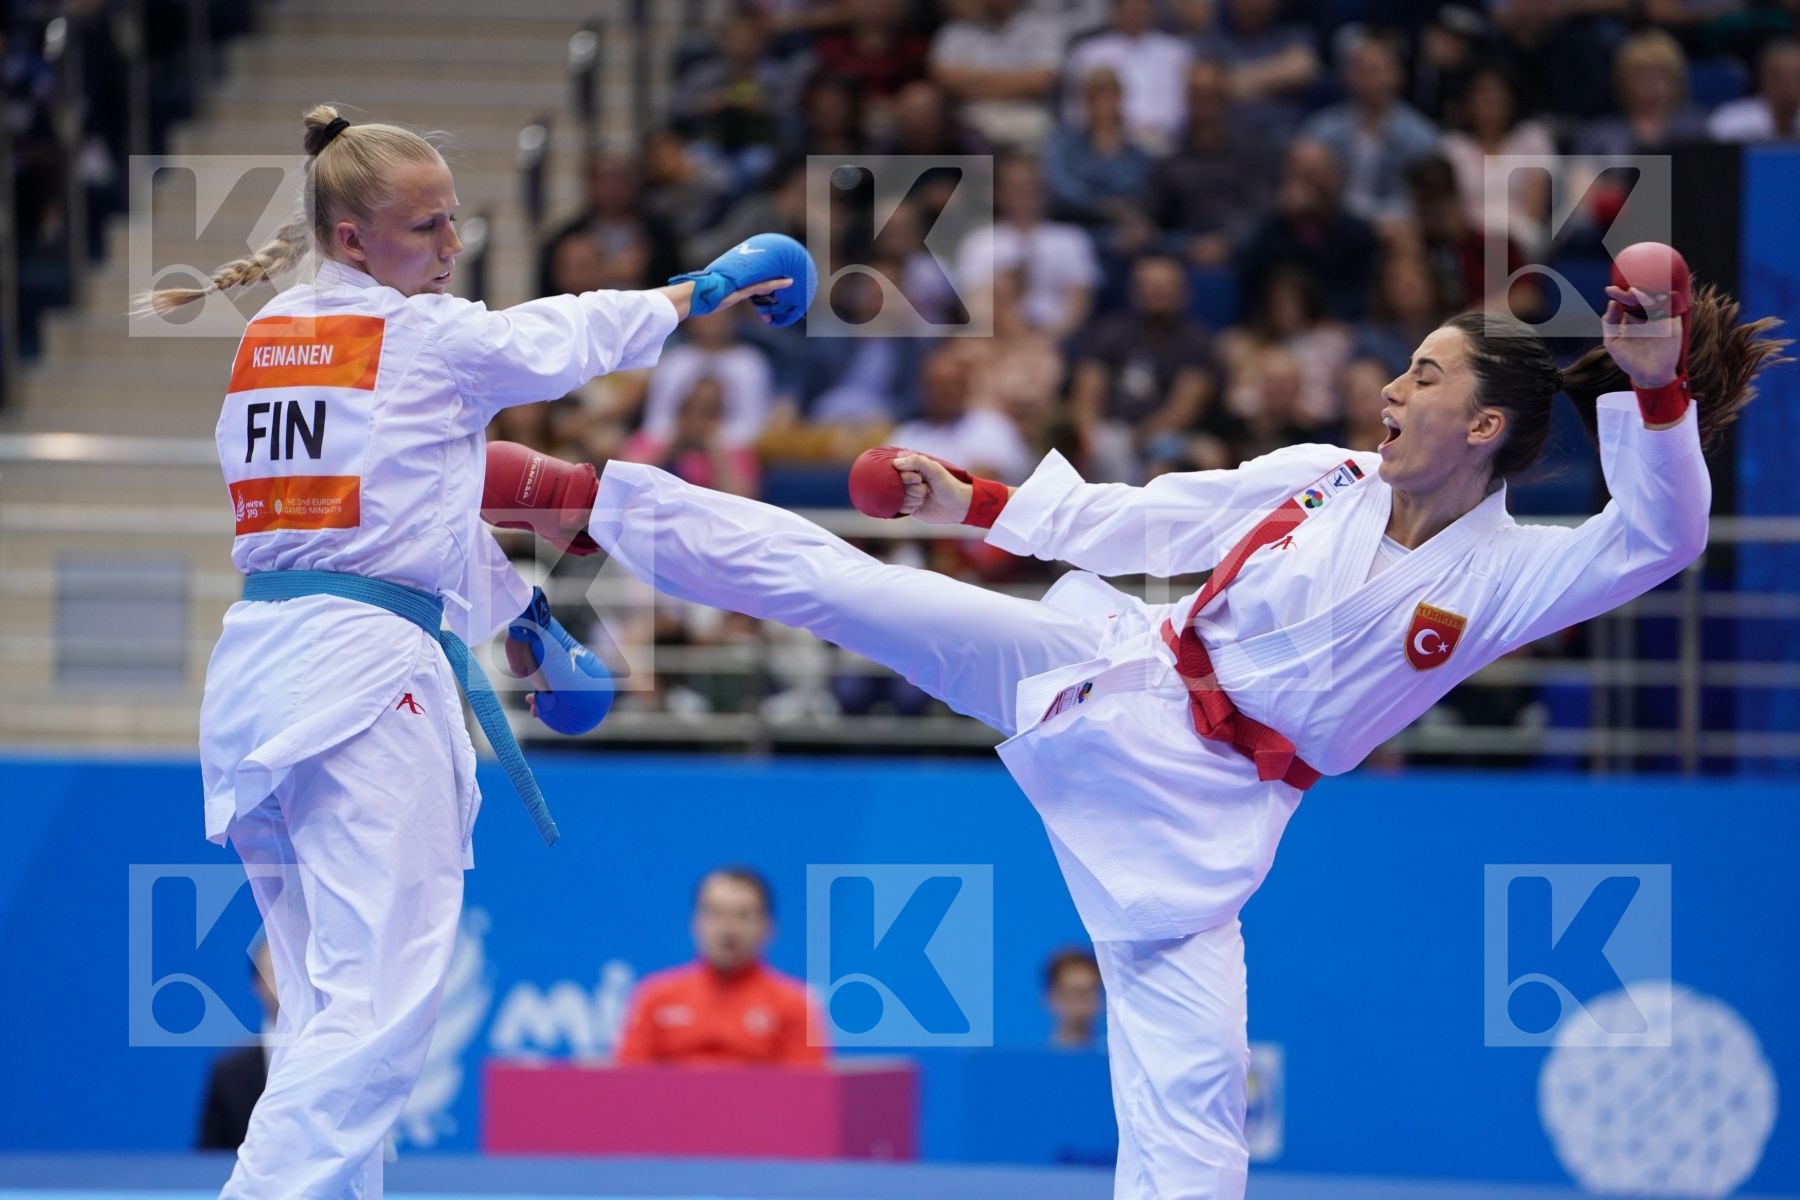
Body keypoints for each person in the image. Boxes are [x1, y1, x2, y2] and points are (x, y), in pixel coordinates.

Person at [482, 249, 1787, 1199]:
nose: (1391, 385)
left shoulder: (1506, 576)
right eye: (1403, 363)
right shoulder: (1317, 480)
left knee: (1195, 1095)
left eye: (1423, 373)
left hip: (1209, 814)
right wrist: (980, 500)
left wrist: (1660, 392)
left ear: (1484, 426)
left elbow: (1660, 536)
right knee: (857, 588)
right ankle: (582, 495)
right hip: (1116, 669)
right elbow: (1151, 517)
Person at [146, 105, 800, 1199]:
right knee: (384, 1001)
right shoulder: (426, 339)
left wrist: (523, 619)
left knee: (322, 995)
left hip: (263, 671)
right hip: (362, 676)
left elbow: (400, 511)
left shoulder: (269, 344)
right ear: (353, 238)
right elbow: (569, 337)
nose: (454, 249)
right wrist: (706, 287)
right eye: (428, 229)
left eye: (456, 223)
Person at [615, 867, 825, 1065]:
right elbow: (627, 1085)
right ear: (696, 923)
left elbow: (804, 1091)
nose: (728, 928)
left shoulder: (793, 1005)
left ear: (767, 927)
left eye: (743, 915)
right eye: (716, 914)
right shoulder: (655, 997)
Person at [195, 940, 278, 1151]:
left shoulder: (338, 1062)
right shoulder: (229, 1073)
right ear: (257, 984)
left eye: (298, 970)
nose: (288, 982)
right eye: (276, 971)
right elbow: (206, 1161)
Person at [1044, 947, 1105, 1049]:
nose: (1081, 1001)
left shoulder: (1119, 1061)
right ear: (1052, 997)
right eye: (1073, 992)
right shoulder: (1031, 1062)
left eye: (1089, 992)